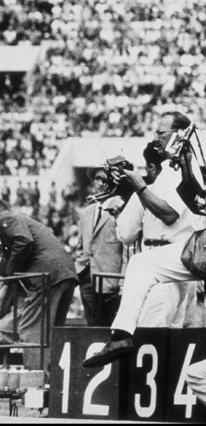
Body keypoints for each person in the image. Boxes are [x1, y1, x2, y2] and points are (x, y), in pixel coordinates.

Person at [83, 111, 206, 368]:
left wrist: (138, 186)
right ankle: (121, 335)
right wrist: (135, 187)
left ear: (178, 135)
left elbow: (170, 213)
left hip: (182, 253)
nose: (155, 137)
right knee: (141, 265)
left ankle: (122, 337)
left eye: (161, 133)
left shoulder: (182, 164)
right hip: (179, 257)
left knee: (157, 335)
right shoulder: (175, 168)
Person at [0, 197, 77, 379]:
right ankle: (49, 382)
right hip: (63, 274)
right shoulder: (24, 226)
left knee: (31, 331)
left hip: (47, 276)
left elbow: (23, 242)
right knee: (48, 332)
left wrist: (10, 271)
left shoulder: (8, 219)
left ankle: (34, 384)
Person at [115, 140, 200, 329]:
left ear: (152, 167)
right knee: (183, 334)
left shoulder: (146, 192)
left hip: (158, 268)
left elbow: (126, 234)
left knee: (152, 330)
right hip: (188, 262)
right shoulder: (190, 188)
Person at [75, 168, 124, 326]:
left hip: (110, 280)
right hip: (87, 278)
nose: (101, 183)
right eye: (98, 178)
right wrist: (80, 270)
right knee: (91, 325)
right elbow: (81, 245)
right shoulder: (86, 212)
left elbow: (126, 248)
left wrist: (122, 281)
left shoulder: (121, 209)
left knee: (108, 325)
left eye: (105, 179)